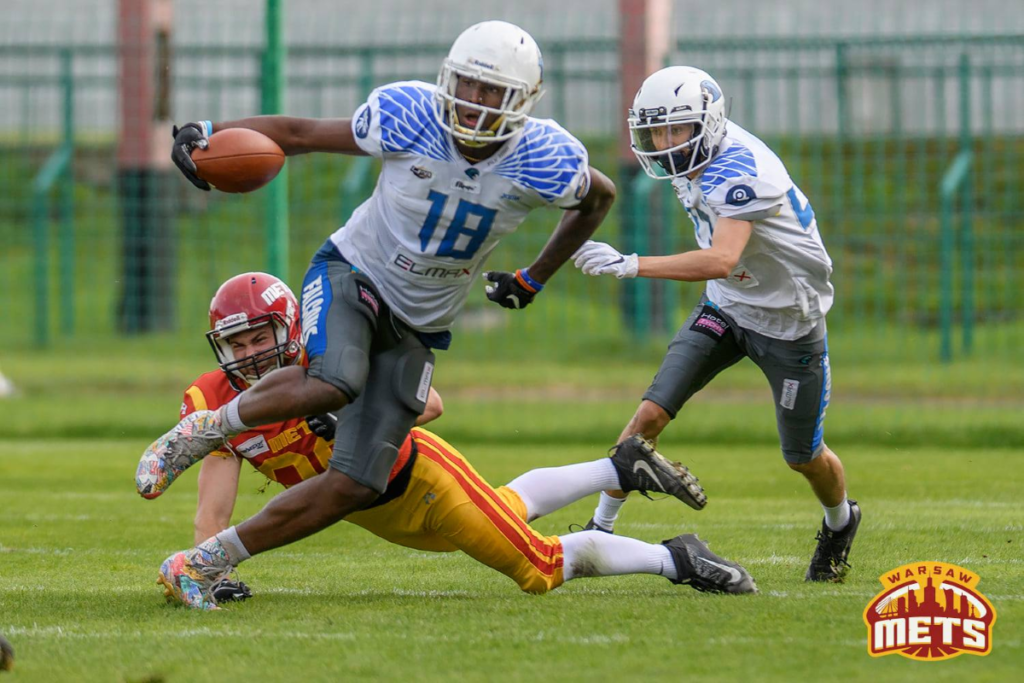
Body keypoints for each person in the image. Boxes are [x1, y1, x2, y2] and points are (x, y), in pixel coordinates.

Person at [136, 22, 622, 567]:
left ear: (524, 100)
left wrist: (535, 275)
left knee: (355, 483)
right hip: (353, 271)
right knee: (336, 380)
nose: (473, 103)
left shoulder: (547, 157)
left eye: (492, 92)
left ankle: (206, 562)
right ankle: (206, 429)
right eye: (466, 85)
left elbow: (598, 199)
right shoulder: (409, 115)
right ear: (448, 80)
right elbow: (299, 132)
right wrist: (211, 128)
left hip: (418, 321)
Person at [152, 272, 754, 609]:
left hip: (423, 481)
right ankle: (617, 466)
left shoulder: (326, 358)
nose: (251, 354)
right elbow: (214, 500)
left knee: (537, 565)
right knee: (508, 509)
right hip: (379, 513)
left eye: (261, 338)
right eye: (238, 344)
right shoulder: (217, 399)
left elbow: (429, 403)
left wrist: (354, 416)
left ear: (290, 326)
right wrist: (208, 564)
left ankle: (677, 559)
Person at [571, 66, 860, 582]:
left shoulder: (741, 168)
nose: (664, 143)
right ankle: (599, 529)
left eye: (675, 130)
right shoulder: (697, 160)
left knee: (803, 456)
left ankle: (841, 521)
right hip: (725, 307)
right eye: (656, 132)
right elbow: (724, 274)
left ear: (709, 122)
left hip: (789, 322)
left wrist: (630, 263)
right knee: (648, 419)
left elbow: (721, 258)